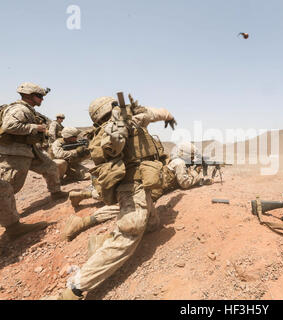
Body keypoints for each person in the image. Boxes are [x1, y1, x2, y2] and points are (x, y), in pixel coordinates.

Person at [52, 95, 176, 300]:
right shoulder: (115, 127)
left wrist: (166, 116)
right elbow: (115, 145)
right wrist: (162, 116)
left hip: (141, 184)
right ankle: (73, 290)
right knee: (130, 233)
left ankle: (99, 242)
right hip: (131, 186)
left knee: (152, 225)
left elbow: (156, 113)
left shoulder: (132, 118)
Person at [63, 142, 212, 241]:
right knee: (124, 210)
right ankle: (82, 223)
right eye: (192, 156)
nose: (193, 159)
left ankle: (83, 195)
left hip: (148, 187)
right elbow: (184, 183)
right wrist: (197, 174)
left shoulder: (174, 161)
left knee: (117, 199)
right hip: (152, 192)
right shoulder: (180, 163)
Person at [0, 82, 68, 240]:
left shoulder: (28, 110)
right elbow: (9, 126)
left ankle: (56, 193)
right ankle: (11, 225)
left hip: (29, 149)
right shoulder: (19, 109)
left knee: (50, 166)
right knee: (9, 187)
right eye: (39, 96)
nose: (42, 99)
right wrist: (34, 128)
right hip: (14, 153)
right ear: (29, 96)